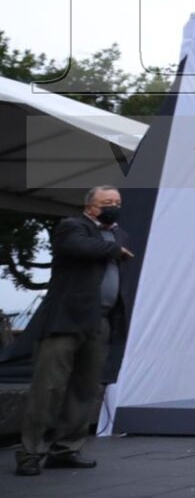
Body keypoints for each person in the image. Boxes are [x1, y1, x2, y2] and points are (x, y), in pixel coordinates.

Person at [16, 186, 133, 478]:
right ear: (90, 207)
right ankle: (31, 452)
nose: (113, 207)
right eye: (107, 202)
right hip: (66, 320)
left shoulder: (119, 233)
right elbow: (80, 248)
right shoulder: (72, 226)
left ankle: (66, 448)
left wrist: (116, 245)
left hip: (100, 321)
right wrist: (114, 249)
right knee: (49, 387)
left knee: (85, 388)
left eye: (117, 202)